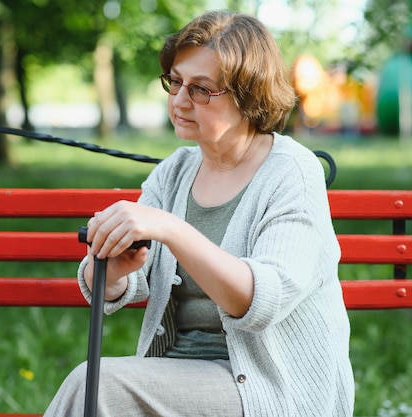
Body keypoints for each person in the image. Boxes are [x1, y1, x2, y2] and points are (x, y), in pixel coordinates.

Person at [43, 10, 354, 416]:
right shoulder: (175, 172)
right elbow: (119, 283)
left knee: (97, 385)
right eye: (175, 81)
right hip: (180, 375)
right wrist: (114, 269)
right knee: (98, 386)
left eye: (201, 89)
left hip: (270, 388)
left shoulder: (290, 172)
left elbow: (259, 301)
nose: (179, 99)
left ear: (248, 93)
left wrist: (172, 229)